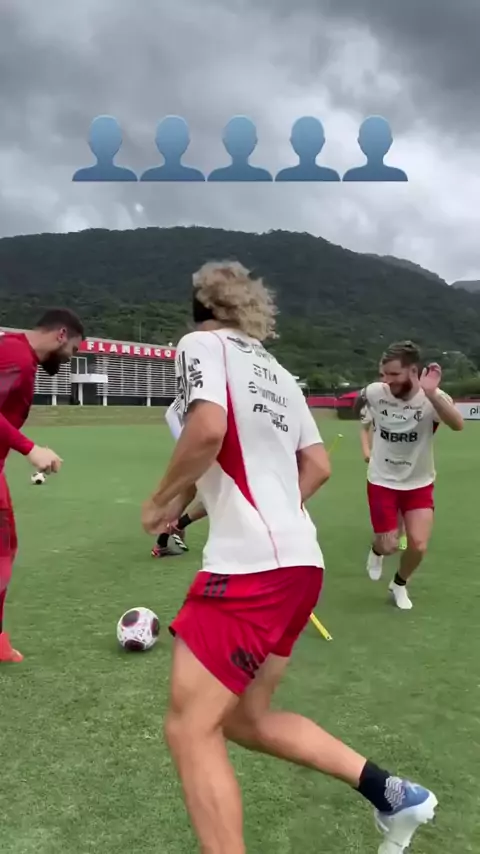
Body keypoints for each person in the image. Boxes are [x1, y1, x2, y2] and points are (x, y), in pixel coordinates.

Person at [142, 264, 437, 853]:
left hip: (249, 570)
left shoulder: (200, 344)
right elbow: (318, 467)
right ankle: (392, 794)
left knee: (189, 728)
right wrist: (271, 515)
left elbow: (207, 429)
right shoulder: (278, 372)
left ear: (200, 310)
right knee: (244, 720)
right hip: (300, 562)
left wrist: (158, 502)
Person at [0, 308, 84, 662]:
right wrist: (30, 448)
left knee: (4, 548)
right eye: (74, 350)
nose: (71, 358)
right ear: (61, 335)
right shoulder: (16, 356)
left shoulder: (19, 355)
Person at [356, 341, 463, 610]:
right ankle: (377, 550)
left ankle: (399, 584)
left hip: (419, 482)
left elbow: (458, 424)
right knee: (389, 545)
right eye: (383, 374)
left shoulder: (433, 397)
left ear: (413, 371)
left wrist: (432, 393)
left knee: (418, 544)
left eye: (394, 374)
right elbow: (360, 402)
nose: (386, 380)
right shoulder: (375, 392)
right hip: (382, 480)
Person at [151, 395, 207, 557]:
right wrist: (186, 444)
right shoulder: (203, 388)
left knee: (186, 495)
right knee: (219, 496)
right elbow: (171, 413)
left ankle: (161, 544)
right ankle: (179, 525)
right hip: (201, 450)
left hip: (200, 448)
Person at [359, 392, 407, 553]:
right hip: (379, 459)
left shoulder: (408, 402)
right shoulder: (374, 402)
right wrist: (366, 450)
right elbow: (364, 428)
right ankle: (383, 534)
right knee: (382, 498)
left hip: (404, 459)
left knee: (402, 497)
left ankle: (402, 533)